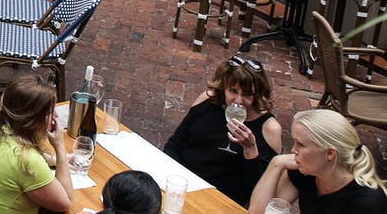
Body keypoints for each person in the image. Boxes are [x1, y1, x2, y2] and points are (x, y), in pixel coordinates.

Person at [163, 55, 282, 205]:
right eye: (233, 91)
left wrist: (250, 150)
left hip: (218, 201)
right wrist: (174, 181)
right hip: (182, 185)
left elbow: (258, 192)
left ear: (257, 94)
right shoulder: (207, 101)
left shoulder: (269, 128)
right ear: (224, 86)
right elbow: (174, 145)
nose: (238, 100)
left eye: (247, 94)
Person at [0, 73, 72, 214]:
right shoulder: (26, 160)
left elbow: (4, 156)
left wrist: (52, 160)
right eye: (51, 112)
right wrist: (60, 147)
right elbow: (66, 202)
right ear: (33, 119)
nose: (56, 116)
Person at [248, 109, 387, 213]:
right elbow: (258, 212)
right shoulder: (307, 171)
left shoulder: (367, 203)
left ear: (330, 153)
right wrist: (276, 164)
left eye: (300, 144)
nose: (293, 150)